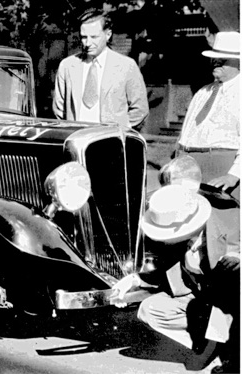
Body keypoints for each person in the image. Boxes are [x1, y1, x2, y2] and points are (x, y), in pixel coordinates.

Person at [113, 184, 240, 373]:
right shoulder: (178, 239)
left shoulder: (231, 220)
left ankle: (229, 352)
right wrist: (133, 281)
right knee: (151, 309)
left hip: (233, 303)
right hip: (203, 299)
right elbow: (166, 272)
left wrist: (239, 257)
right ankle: (209, 342)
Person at [52, 8, 149, 129]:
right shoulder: (67, 66)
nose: (87, 43)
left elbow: (140, 109)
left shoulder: (127, 66)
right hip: (76, 141)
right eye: (84, 37)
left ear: (108, 34)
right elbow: (59, 110)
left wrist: (119, 131)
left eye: (94, 37)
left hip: (111, 142)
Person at [176, 31, 240, 200]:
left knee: (222, 222)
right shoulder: (204, 92)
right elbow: (188, 130)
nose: (216, 62)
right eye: (214, 58)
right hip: (190, 168)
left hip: (223, 169)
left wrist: (234, 174)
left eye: (223, 59)